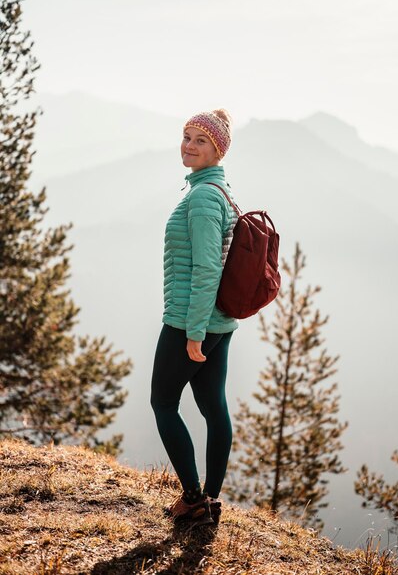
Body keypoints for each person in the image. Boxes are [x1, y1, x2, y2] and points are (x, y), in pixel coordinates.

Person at [150, 108, 239, 528]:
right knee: (212, 407)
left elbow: (207, 269)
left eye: (200, 139)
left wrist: (194, 334)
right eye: (186, 136)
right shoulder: (216, 191)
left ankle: (193, 499)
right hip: (219, 322)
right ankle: (212, 499)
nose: (188, 145)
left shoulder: (203, 198)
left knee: (164, 403)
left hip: (192, 322)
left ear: (218, 148)